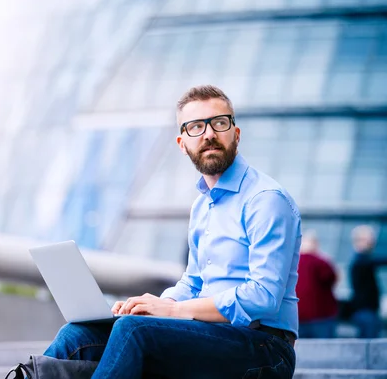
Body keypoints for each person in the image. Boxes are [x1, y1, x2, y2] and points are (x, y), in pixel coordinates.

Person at [38, 85, 301, 379]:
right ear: (182, 143)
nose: (209, 134)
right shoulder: (203, 206)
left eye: (219, 123)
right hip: (209, 335)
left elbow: (263, 296)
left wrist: (175, 312)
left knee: (134, 331)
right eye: (196, 127)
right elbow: (194, 281)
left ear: (236, 134)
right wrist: (153, 304)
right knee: (78, 335)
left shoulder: (266, 199)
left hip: (264, 347)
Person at [296, 230, 338, 338]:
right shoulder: (321, 262)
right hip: (321, 316)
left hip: (297, 315)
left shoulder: (292, 262)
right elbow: (332, 279)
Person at [349, 225, 387, 339]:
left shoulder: (362, 259)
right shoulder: (361, 260)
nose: (372, 243)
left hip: (366, 309)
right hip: (365, 310)